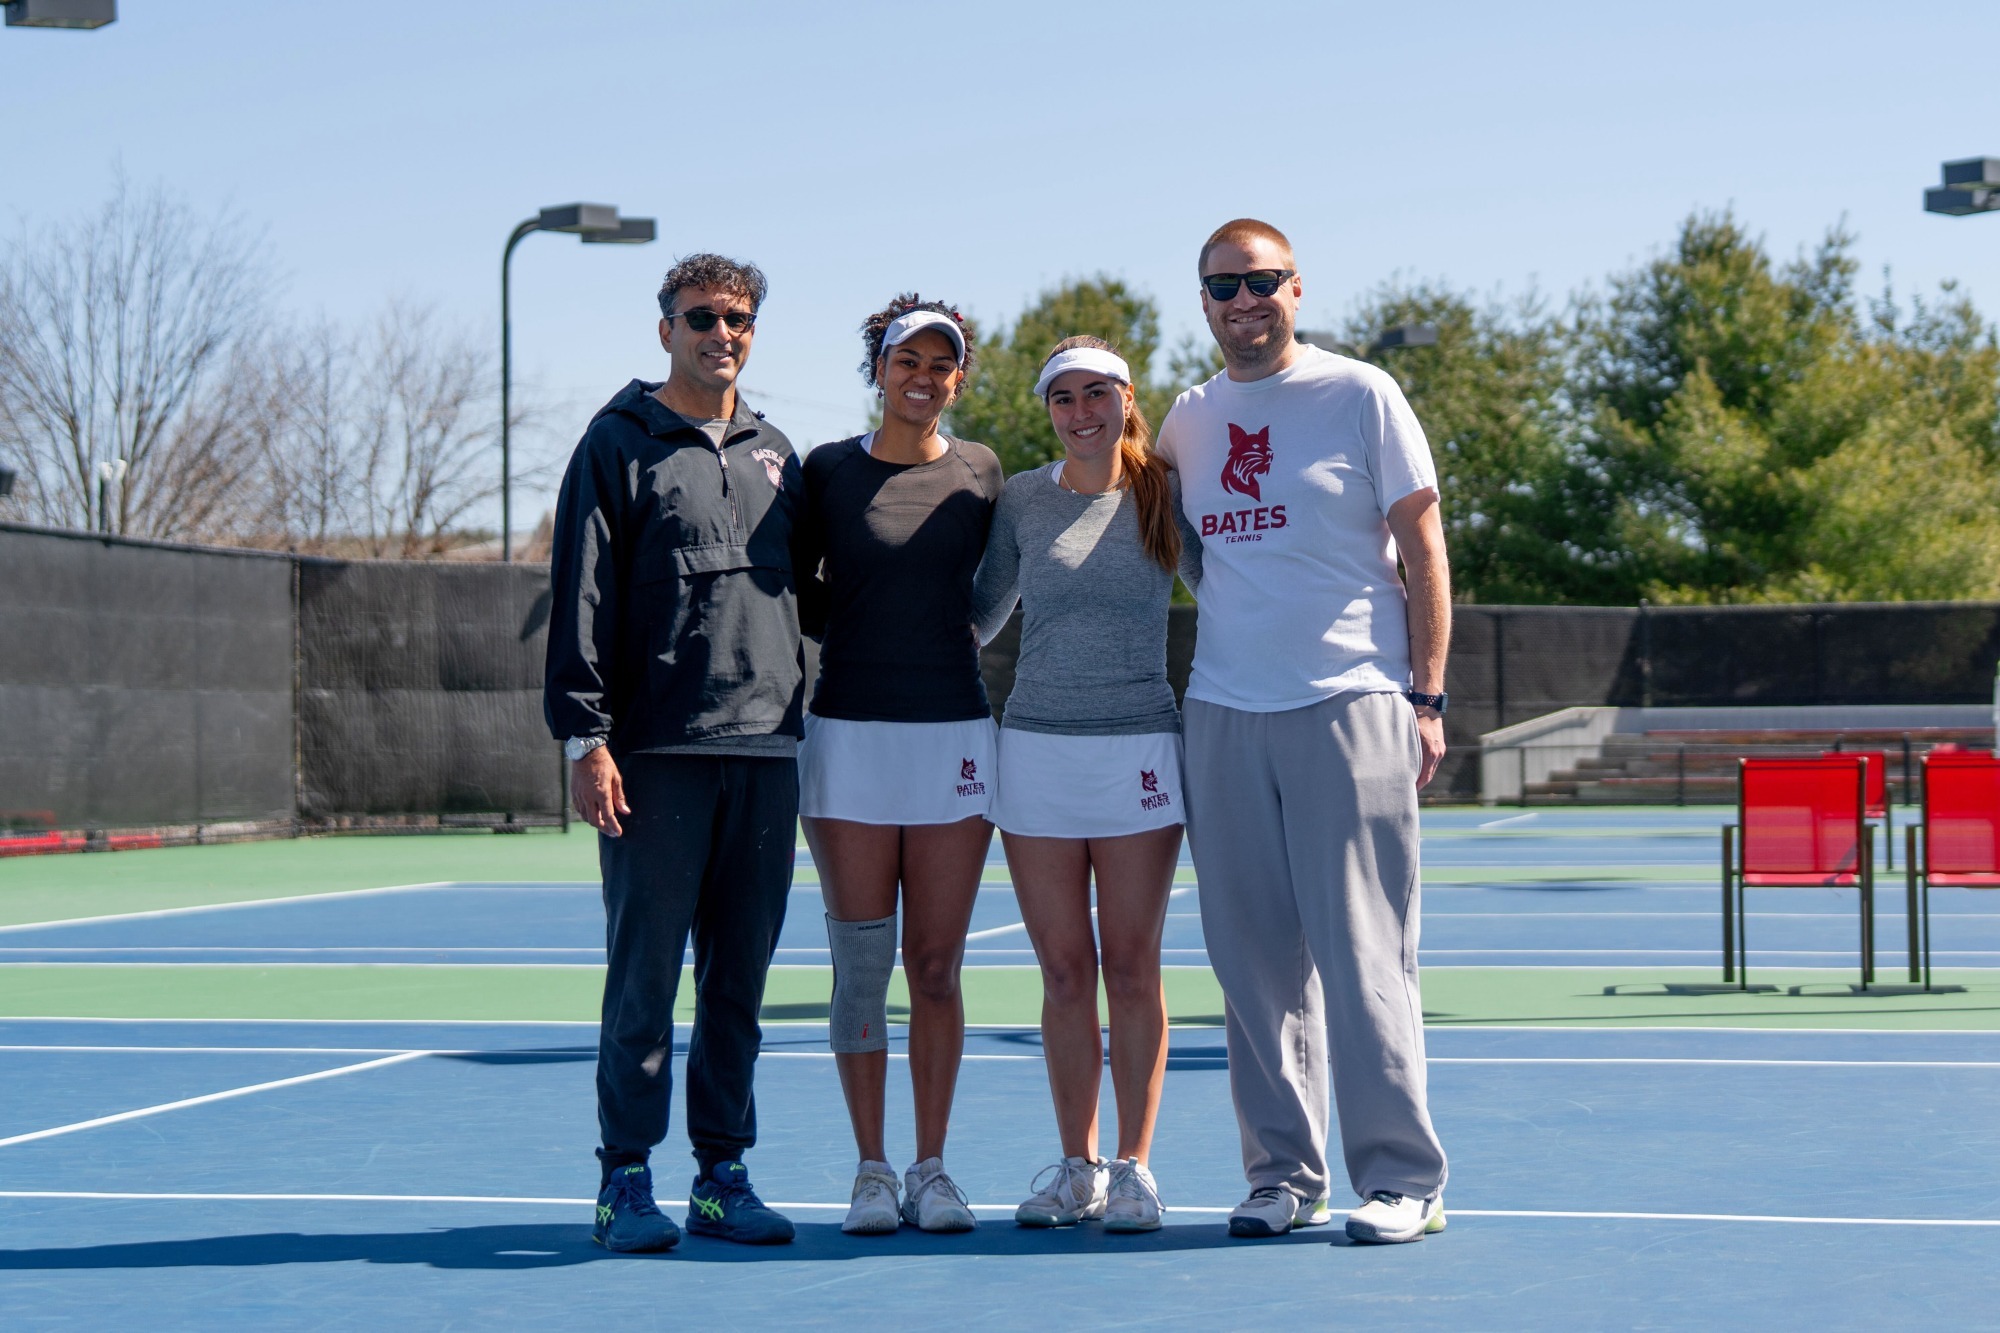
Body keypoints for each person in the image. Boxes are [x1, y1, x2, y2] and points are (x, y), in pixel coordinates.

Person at [1157, 219, 1452, 1245]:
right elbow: (1182, 552)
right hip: (1223, 712)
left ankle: (1402, 1177)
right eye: (1223, 285)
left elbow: (1421, 546)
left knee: (1364, 954)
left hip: (1352, 702)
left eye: (1262, 281)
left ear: (1295, 288)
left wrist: (1426, 695)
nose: (1244, 300)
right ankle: (1283, 1174)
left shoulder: (1361, 392)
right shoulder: (1187, 420)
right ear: (1202, 301)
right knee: (1249, 963)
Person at [544, 253, 803, 1253]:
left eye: (737, 317)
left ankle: (721, 1175)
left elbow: (802, 604)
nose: (720, 333)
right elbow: (582, 594)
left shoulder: (778, 449)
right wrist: (587, 734)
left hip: (766, 753)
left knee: (738, 983)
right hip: (654, 753)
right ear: (665, 329)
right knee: (644, 979)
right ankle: (624, 1179)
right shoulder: (616, 444)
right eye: (701, 316)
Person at [971, 336, 1201, 1234]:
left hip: (1140, 748)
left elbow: (1229, 588)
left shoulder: (1163, 490)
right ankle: (1079, 1168)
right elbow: (981, 613)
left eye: (1095, 393)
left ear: (1126, 398)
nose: (1080, 411)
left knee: (1133, 966)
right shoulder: (1023, 499)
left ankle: (1137, 1167)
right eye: (1063, 398)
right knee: (1066, 972)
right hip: (1035, 753)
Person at [793, 295, 1005, 1235]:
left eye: (940, 363)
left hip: (955, 739)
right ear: (877, 368)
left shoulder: (984, 472)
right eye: (904, 359)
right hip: (848, 741)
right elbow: (798, 592)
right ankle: (871, 1170)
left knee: (937, 967)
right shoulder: (827, 471)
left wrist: (965, 632)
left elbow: (999, 586)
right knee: (862, 966)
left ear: (959, 377)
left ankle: (931, 1168)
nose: (923, 376)